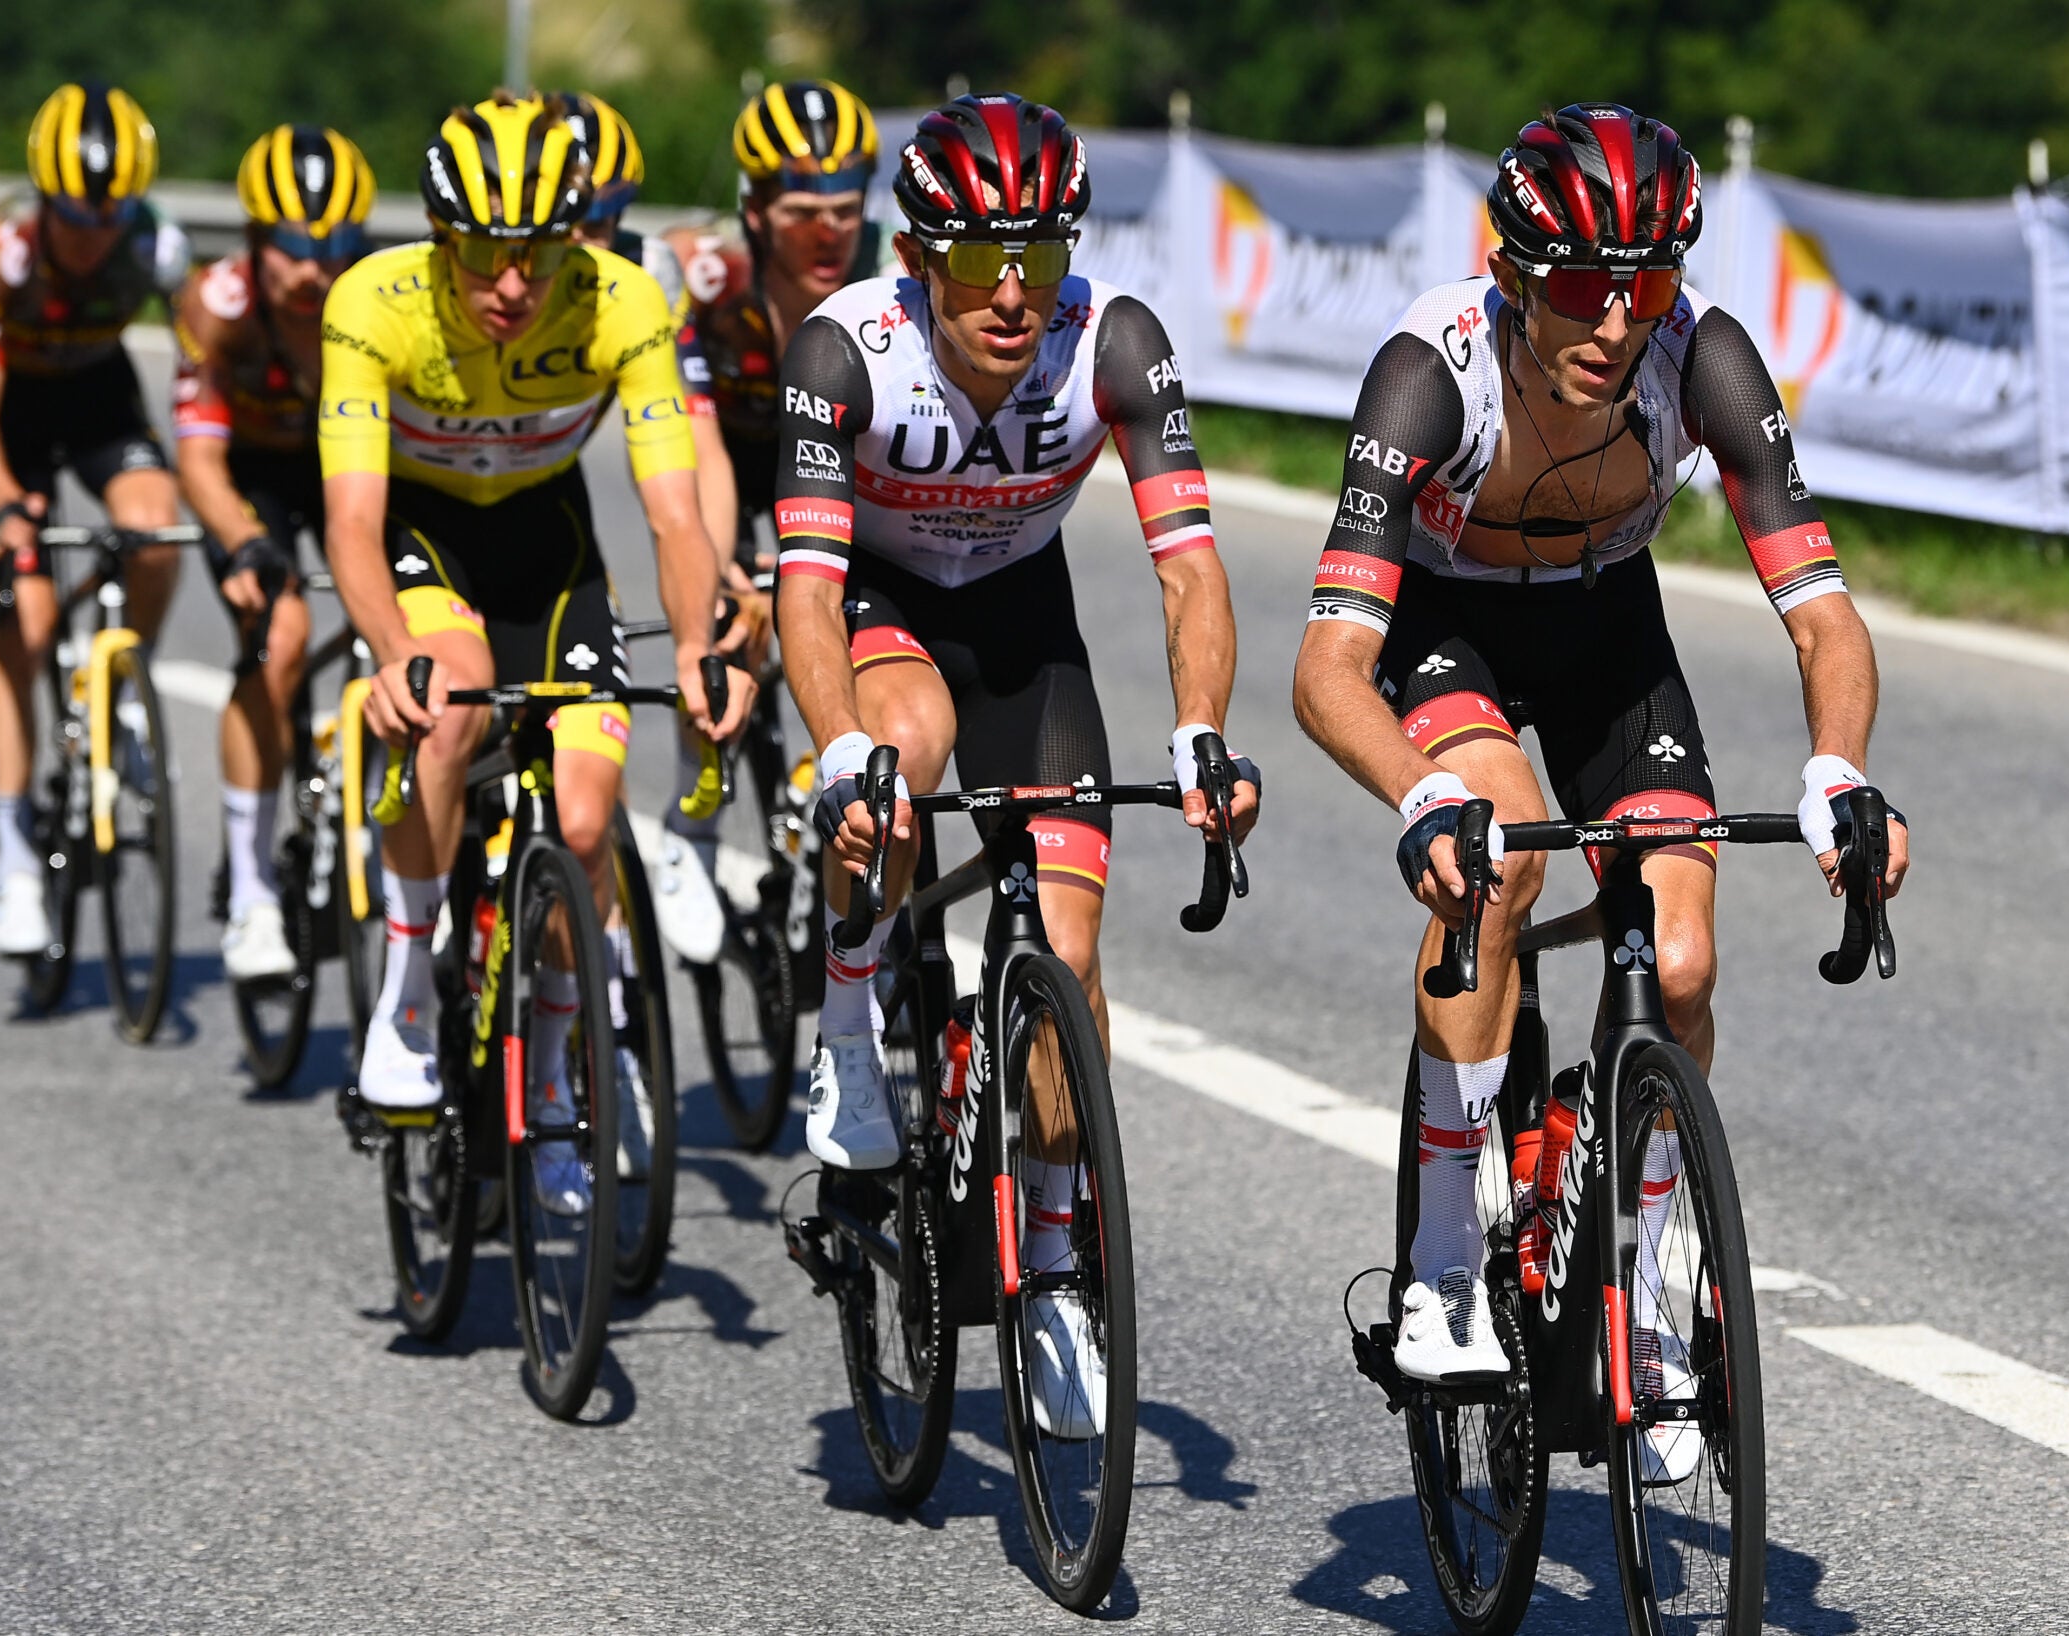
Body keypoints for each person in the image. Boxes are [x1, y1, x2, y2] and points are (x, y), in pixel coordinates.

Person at [1289, 105, 1912, 1480]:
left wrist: (1837, 771)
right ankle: (1447, 1259)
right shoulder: (1428, 373)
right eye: (1579, 285)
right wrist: (1417, 799)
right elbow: (1328, 666)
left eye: (1646, 286)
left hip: (1606, 631)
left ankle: (1666, 1278)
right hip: (1444, 629)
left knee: (1681, 957)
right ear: (1513, 275)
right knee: (1502, 856)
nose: (1615, 322)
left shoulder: (1706, 361)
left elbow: (1822, 611)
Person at [772, 93, 1260, 1436]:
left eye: (1038, 260)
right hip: (878, 602)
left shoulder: (1113, 342)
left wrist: (1201, 729)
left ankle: (1052, 1272)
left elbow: (1190, 568)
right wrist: (841, 753)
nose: (1008, 295)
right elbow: (806, 589)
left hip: (1023, 630)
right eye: (978, 261)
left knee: (1073, 954)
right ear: (918, 257)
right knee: (903, 755)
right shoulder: (845, 350)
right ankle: (852, 1014)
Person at [318, 94, 753, 1216]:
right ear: (437, 232)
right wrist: (386, 650)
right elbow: (352, 522)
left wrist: (699, 644)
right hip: (423, 538)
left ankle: (557, 1069)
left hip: (548, 550)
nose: (513, 284)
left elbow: (673, 518)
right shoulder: (374, 302)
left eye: (541, 252)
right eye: (485, 254)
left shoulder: (623, 303)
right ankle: (412, 985)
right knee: (449, 708)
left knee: (587, 819)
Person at [0, 81, 190, 958]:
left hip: (98, 400)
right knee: (28, 618)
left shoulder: (158, 247)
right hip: (9, 417)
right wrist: (5, 503)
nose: (94, 237)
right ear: (43, 198)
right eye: (75, 217)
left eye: (110, 218)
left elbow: (201, 380)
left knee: (158, 526)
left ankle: (125, 693)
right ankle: (14, 851)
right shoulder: (3, 249)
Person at [649, 79, 882, 939]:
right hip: (733, 466)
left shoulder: (895, 283)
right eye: (798, 210)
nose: (827, 231)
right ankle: (693, 826)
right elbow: (697, 458)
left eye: (845, 207)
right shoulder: (710, 289)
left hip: (836, 474)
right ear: (751, 208)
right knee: (724, 616)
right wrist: (724, 577)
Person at [172, 123, 375, 979]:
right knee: (282, 635)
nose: (312, 270)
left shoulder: (375, 301)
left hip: (347, 463)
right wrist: (247, 543)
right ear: (257, 241)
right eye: (293, 247)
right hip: (249, 475)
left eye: (332, 247)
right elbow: (197, 459)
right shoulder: (215, 308)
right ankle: (252, 892)